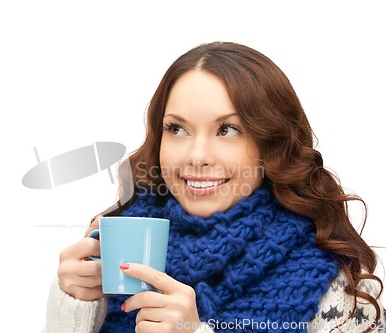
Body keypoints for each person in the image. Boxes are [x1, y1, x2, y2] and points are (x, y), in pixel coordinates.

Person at [43, 42, 385, 332]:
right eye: (177, 129)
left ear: (273, 143)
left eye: (228, 130)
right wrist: (73, 305)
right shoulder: (119, 246)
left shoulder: (340, 287)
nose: (197, 156)